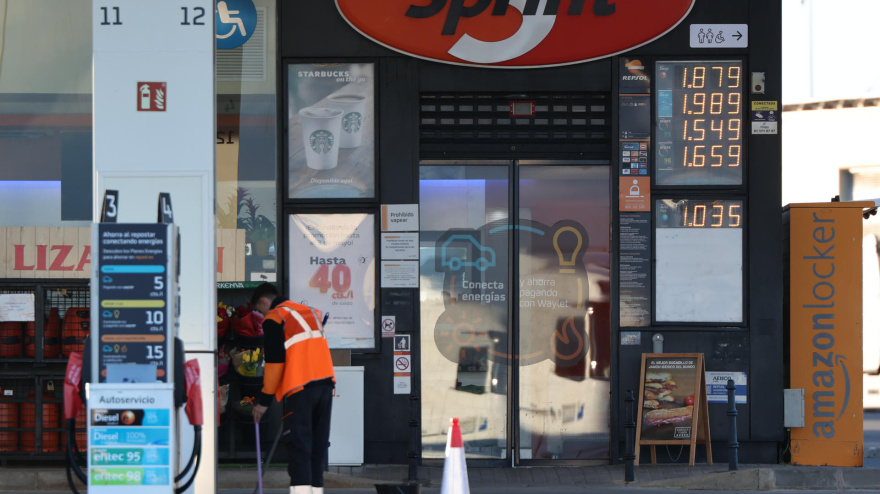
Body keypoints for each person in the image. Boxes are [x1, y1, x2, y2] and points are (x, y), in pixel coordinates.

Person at [251, 282, 335, 494]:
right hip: (326, 385)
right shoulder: (309, 312)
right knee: (317, 448)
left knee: (299, 447)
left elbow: (274, 364)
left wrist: (264, 401)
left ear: (264, 302)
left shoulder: (275, 317)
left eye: (259, 310)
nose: (262, 315)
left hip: (301, 388)